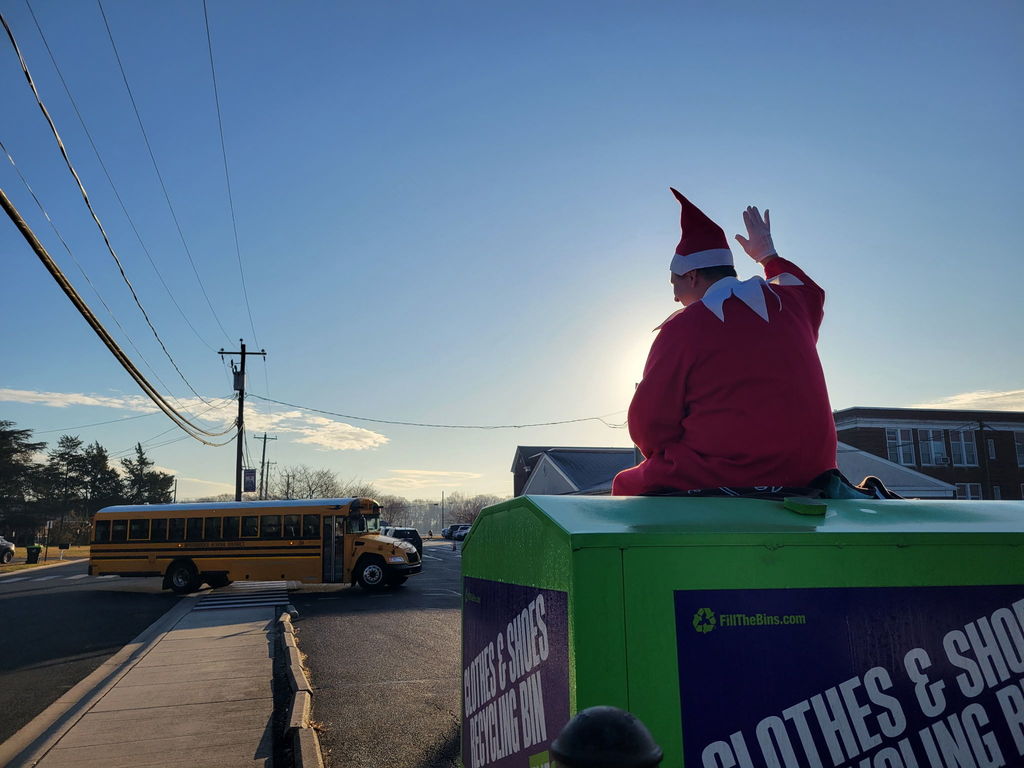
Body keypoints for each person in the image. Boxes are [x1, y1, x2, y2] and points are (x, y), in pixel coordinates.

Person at [612, 189, 837, 496]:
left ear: (692, 276)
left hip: (727, 476)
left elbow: (650, 428)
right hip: (813, 474)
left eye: (675, 284)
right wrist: (768, 256)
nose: (675, 297)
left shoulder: (682, 327)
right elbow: (811, 292)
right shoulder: (790, 303)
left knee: (626, 483)